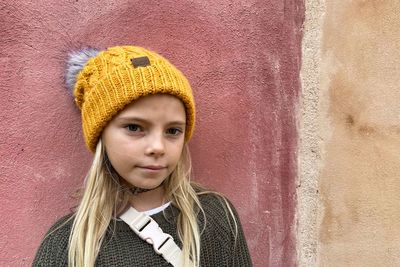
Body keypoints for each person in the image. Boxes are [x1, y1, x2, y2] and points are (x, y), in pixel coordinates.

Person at [33, 45, 252, 267]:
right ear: (101, 135)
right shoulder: (65, 245)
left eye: (173, 131)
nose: (158, 147)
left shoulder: (215, 218)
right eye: (134, 127)